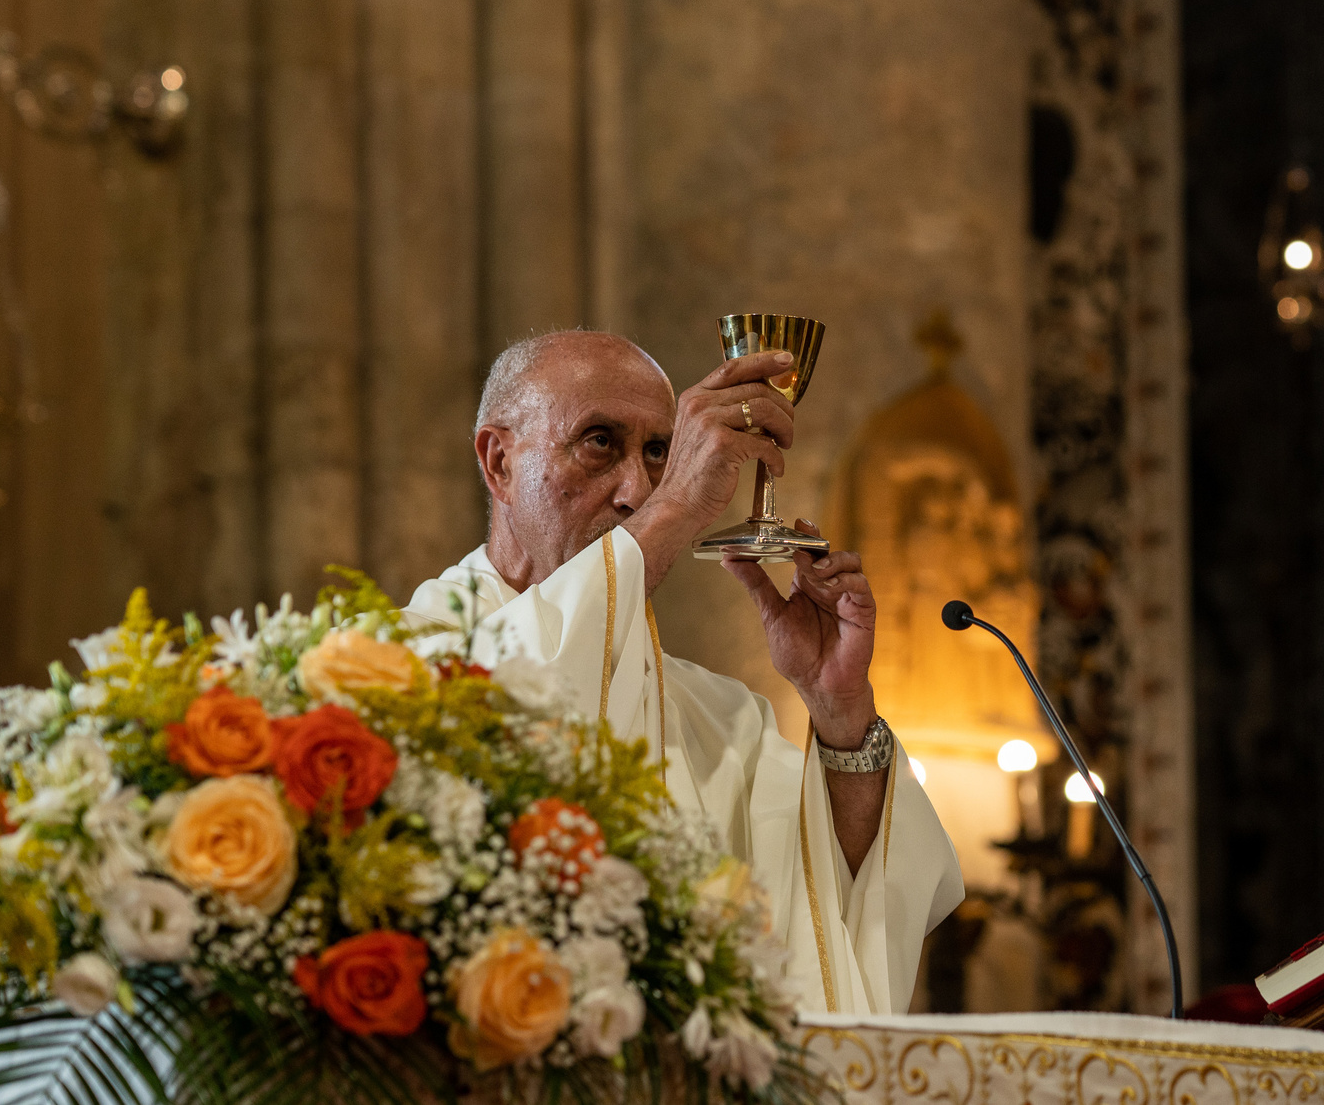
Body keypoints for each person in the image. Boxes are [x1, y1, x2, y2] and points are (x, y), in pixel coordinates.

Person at [404, 329, 962, 1014]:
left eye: (661, 453)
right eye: (600, 441)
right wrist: (679, 508)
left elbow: (833, 919)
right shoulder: (399, 667)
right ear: (499, 461)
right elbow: (512, 704)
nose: (637, 491)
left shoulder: (724, 723)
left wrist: (839, 710)